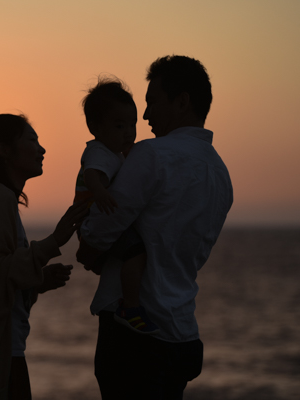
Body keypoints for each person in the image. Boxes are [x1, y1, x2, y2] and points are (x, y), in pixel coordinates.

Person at [77, 55, 234, 399]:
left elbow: (95, 234)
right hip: (182, 333)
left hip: (136, 338)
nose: (145, 116)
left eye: (152, 103)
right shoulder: (221, 175)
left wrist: (87, 244)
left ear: (182, 102)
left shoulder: (151, 155)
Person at [0, 114, 88, 400]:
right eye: (32, 140)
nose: (42, 149)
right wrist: (54, 241)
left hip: (5, 350)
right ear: (4, 150)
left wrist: (37, 282)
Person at [74, 77, 158, 335]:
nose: (129, 132)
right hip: (92, 216)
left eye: (132, 125)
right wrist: (99, 192)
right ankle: (130, 307)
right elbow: (91, 175)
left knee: (119, 258)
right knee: (137, 253)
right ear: (94, 126)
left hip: (94, 217)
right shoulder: (99, 151)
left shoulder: (115, 154)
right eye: (120, 125)